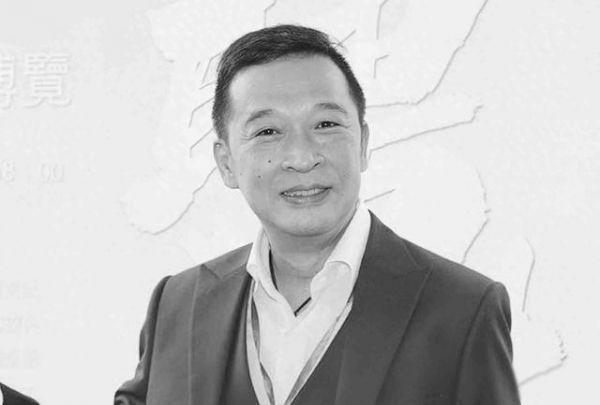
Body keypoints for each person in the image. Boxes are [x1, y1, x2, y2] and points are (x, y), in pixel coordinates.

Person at [115, 24, 520, 405]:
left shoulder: (463, 310)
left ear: (362, 143)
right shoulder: (177, 304)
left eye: (325, 124)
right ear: (226, 163)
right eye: (267, 131)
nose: (302, 156)